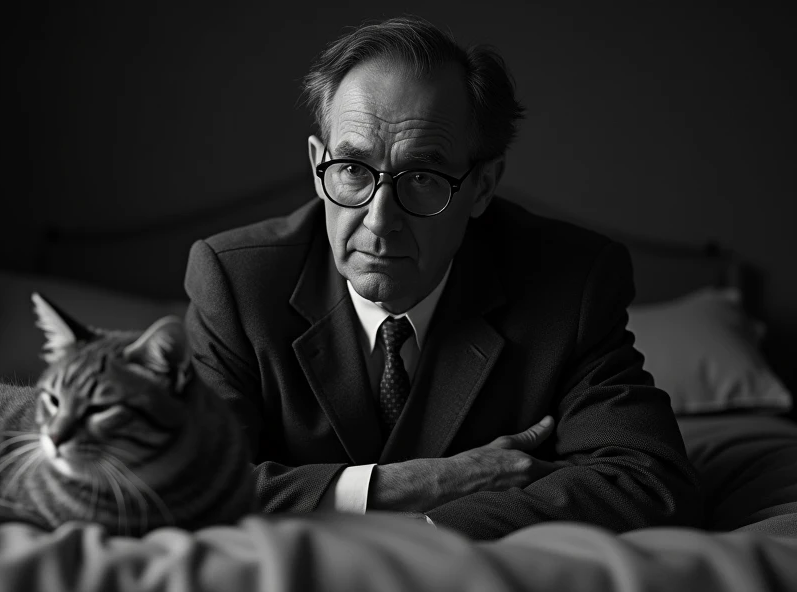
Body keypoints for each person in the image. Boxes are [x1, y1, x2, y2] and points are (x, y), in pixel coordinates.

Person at [183, 16, 702, 539]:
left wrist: (430, 529)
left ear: (481, 187)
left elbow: (650, 484)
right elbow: (186, 485)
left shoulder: (572, 283)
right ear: (320, 163)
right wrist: (421, 483)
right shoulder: (236, 280)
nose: (379, 218)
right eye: (353, 169)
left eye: (423, 179)